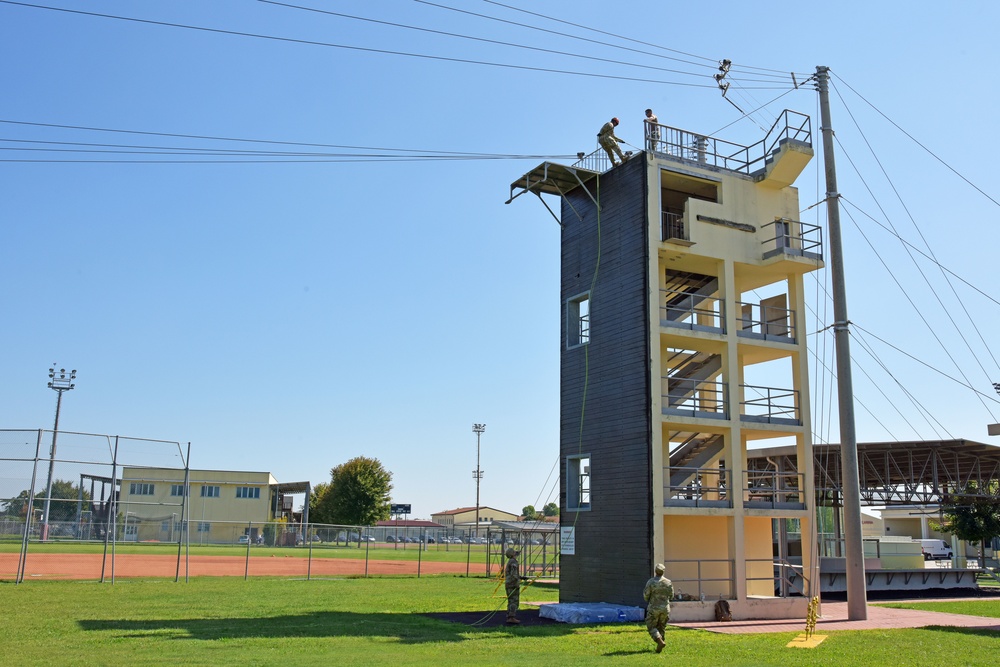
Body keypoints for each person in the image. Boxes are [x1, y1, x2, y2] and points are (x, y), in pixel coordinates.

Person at [643, 563, 674, 653]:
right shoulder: (668, 582)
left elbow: (646, 596)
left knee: (651, 625)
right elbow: (671, 596)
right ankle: (659, 647)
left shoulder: (651, 582)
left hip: (654, 608)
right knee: (662, 627)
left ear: (655, 571)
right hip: (665, 608)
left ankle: (660, 642)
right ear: (663, 572)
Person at [504, 547, 523, 625]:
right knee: (514, 601)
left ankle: (509, 616)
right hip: (513, 584)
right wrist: (517, 582)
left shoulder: (511, 561)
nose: (516, 553)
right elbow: (514, 574)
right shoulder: (513, 562)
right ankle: (511, 617)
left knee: (510, 600)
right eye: (514, 552)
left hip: (509, 584)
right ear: (512, 554)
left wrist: (521, 577)